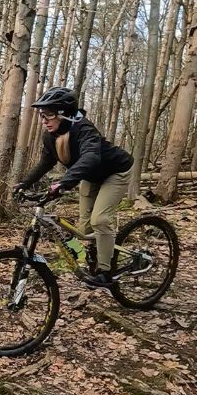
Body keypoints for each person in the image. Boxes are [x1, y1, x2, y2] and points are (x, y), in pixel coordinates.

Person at [13, 87, 134, 288]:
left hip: (116, 171)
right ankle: (100, 252)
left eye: (49, 114)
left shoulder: (84, 129)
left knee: (100, 220)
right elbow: (45, 163)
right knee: (85, 230)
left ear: (64, 113)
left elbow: (91, 156)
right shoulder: (50, 137)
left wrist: (64, 182)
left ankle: (106, 272)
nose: (44, 120)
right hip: (90, 176)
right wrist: (24, 184)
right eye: (42, 115)